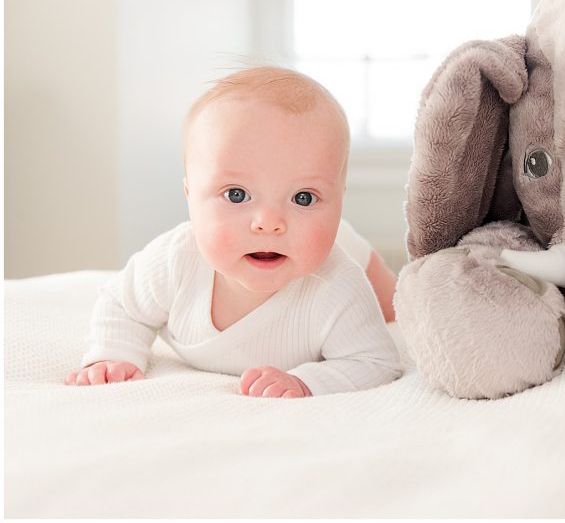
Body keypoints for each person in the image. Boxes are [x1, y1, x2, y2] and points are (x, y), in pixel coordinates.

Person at [65, 66, 402, 397]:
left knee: (397, 308)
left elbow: (373, 360)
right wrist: (114, 353)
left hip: (343, 245)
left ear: (340, 199)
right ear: (190, 196)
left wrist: (307, 382)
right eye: (236, 195)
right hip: (300, 241)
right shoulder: (174, 260)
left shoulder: (337, 285)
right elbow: (124, 305)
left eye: (304, 197)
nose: (268, 222)